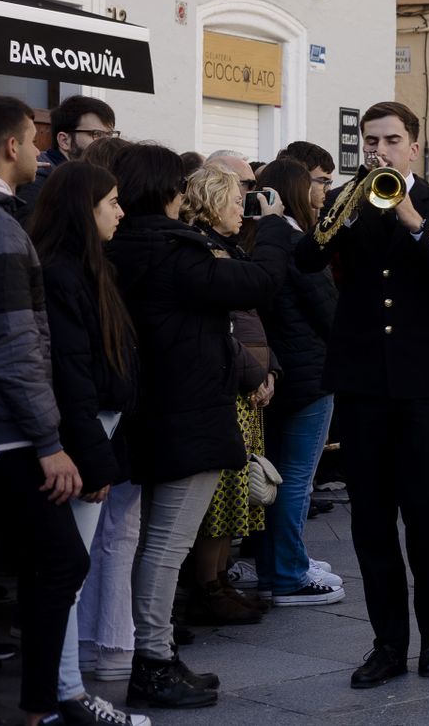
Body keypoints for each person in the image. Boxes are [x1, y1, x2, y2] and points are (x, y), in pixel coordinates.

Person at [293, 102, 429, 689]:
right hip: (363, 378)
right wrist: (335, 214)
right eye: (371, 142)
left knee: (425, 509)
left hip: (420, 381)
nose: (380, 151)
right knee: (371, 519)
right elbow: (305, 260)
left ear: (414, 146)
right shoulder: (346, 200)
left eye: (392, 140)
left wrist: (412, 219)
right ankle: (387, 643)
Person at [107, 143, 290, 709]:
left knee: (143, 543)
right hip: (186, 411)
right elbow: (257, 285)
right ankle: (153, 660)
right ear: (166, 191)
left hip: (151, 408)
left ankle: (143, 653)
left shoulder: (125, 247)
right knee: (167, 545)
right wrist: (276, 226)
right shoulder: (171, 251)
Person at [26, 162, 151, 726]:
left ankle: (66, 689)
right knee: (66, 572)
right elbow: (70, 375)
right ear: (84, 209)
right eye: (112, 203)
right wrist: (94, 457)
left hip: (95, 429)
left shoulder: (83, 268)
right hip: (81, 435)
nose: (121, 213)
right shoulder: (61, 274)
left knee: (69, 569)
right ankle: (65, 692)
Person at [0, 97, 90, 726]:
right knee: (60, 560)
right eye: (33, 140)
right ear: (10, 147)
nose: (39, 150)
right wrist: (49, 441)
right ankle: (40, 707)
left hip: (3, 428)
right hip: (7, 433)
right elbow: (15, 343)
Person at [178, 165, 275, 629]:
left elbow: (250, 319)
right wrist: (256, 371)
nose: (244, 208)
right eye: (237, 200)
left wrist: (266, 368)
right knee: (220, 493)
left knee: (237, 491)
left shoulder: (226, 247)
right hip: (228, 383)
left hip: (245, 381)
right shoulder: (204, 252)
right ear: (214, 202)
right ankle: (207, 586)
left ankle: (219, 579)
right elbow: (225, 328)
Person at [248, 158, 343, 607]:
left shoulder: (257, 239)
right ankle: (288, 573)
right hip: (307, 374)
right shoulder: (293, 240)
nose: (323, 191)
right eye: (317, 184)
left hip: (276, 373)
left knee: (271, 478)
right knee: (295, 480)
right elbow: (328, 312)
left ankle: (279, 565)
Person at [16, 94, 117, 215]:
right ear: (64, 141)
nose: (107, 142)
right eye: (97, 134)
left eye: (110, 135)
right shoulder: (39, 181)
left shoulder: (88, 178)